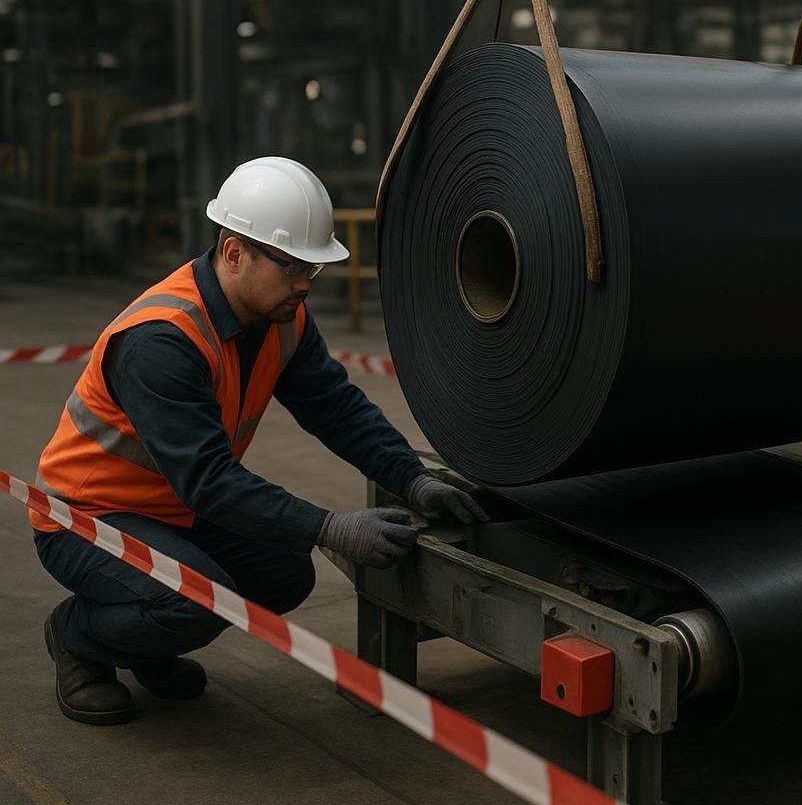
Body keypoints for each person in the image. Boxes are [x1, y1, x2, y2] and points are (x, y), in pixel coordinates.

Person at [29, 156, 487, 726]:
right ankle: (78, 638)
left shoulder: (280, 317)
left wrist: (411, 478)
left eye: (312, 270)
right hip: (86, 517)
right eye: (293, 266)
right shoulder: (161, 341)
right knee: (194, 597)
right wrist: (330, 528)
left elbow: (336, 408)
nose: (304, 285)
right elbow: (210, 483)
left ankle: (144, 640)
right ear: (234, 253)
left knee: (284, 573)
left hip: (169, 511)